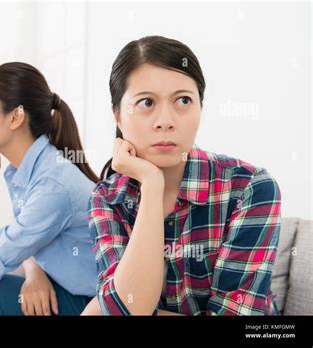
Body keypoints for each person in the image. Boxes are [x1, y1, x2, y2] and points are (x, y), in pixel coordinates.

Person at [83, 36, 281, 316]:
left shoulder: (250, 187)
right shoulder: (107, 198)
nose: (166, 120)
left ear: (200, 106)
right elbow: (128, 307)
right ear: (117, 114)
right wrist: (151, 185)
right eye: (147, 102)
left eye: (183, 100)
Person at [0, 62, 98, 316]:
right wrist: (34, 270)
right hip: (68, 288)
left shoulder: (51, 186)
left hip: (93, 303)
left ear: (16, 117)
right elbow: (28, 237)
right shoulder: (36, 168)